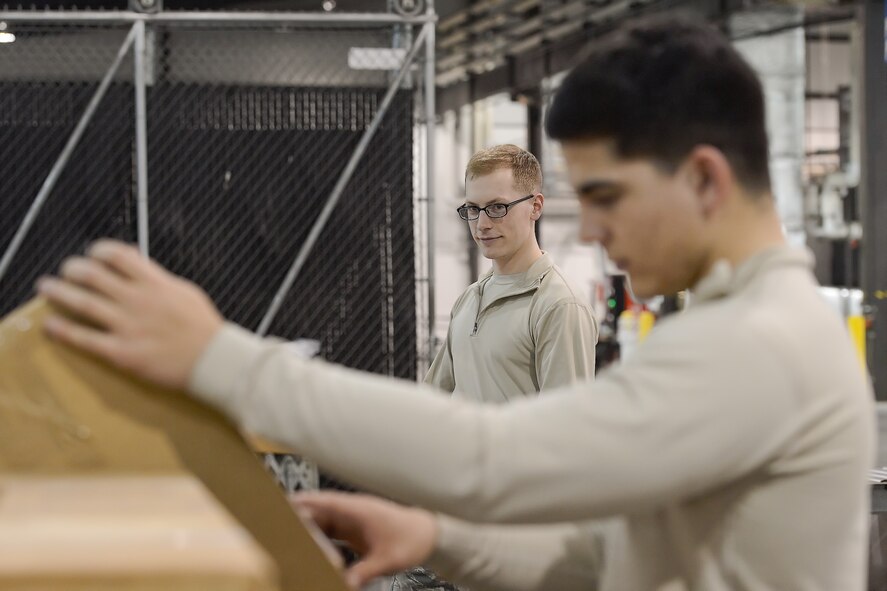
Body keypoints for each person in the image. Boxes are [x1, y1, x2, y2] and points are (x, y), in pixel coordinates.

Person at [38, 14, 875, 591]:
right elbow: (614, 552)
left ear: (703, 178)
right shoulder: (742, 329)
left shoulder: (757, 345)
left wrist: (222, 358)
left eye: (609, 195)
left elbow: (495, 456)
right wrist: (437, 539)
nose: (600, 232)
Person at [426, 143, 597, 403]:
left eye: (497, 208)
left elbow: (568, 430)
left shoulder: (559, 305)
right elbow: (431, 401)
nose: (482, 224)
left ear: (536, 206)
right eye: (473, 209)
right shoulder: (470, 299)